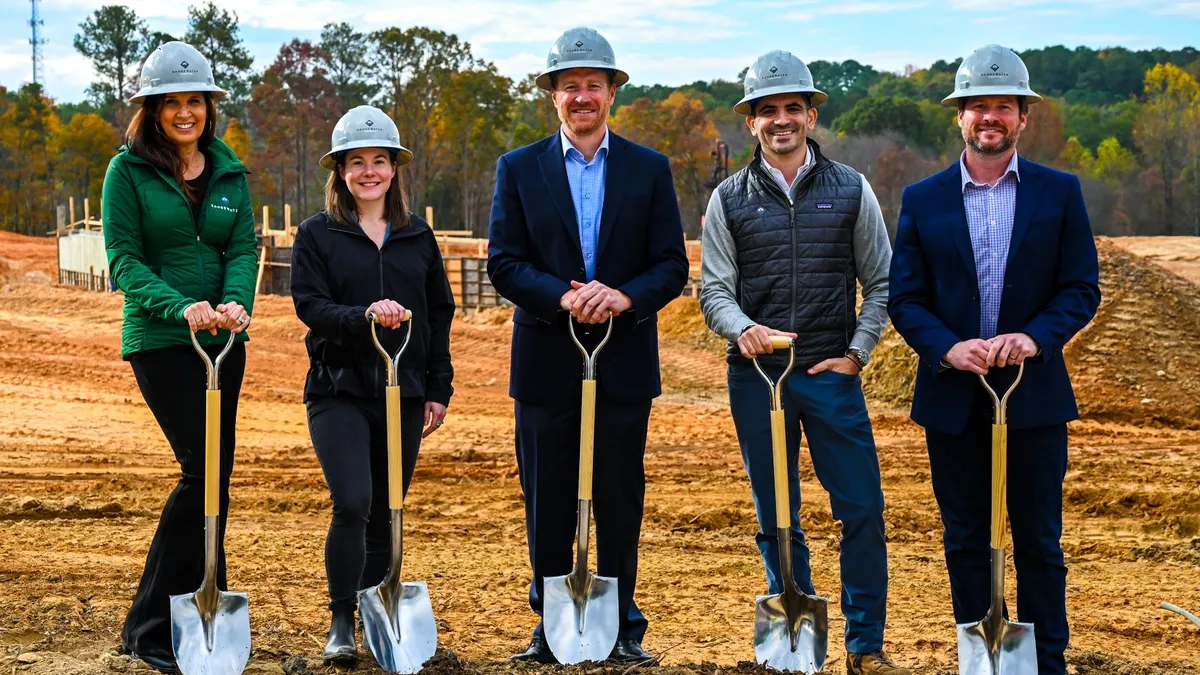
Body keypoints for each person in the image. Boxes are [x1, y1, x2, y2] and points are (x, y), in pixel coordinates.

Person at [887, 44, 1101, 674]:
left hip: (1033, 398)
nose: (990, 117)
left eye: (1002, 106)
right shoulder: (923, 199)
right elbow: (906, 297)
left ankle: (1047, 662)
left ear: (1022, 117)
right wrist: (947, 347)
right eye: (978, 105)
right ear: (959, 115)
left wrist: (1035, 338)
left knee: (1038, 540)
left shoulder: (1059, 194)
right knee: (966, 541)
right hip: (955, 397)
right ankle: (982, 658)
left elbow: (1080, 288)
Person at [699, 50, 908, 675]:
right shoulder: (728, 199)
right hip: (758, 379)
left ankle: (865, 645)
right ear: (751, 123)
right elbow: (713, 291)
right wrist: (743, 331)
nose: (782, 119)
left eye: (794, 107)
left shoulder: (851, 189)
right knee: (777, 512)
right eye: (768, 110)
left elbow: (883, 281)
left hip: (827, 376)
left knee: (863, 510)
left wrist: (856, 354)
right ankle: (793, 634)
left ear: (812, 115)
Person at [486, 26, 689, 666]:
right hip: (547, 357)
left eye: (592, 86)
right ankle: (550, 624)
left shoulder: (649, 169)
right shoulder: (518, 168)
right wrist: (562, 295)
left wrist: (623, 298)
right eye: (569, 86)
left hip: (623, 358)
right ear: (553, 95)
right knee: (547, 494)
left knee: (620, 492)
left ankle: (623, 623)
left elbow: (670, 265)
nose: (581, 97)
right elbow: (504, 262)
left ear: (612, 94)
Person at [102, 41, 257, 674]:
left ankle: (187, 608)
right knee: (201, 470)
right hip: (164, 341)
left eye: (196, 101)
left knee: (216, 478)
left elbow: (243, 248)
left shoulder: (228, 172)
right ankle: (149, 626)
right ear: (153, 110)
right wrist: (181, 307)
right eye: (173, 103)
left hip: (223, 341)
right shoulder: (127, 174)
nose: (187, 112)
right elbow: (125, 261)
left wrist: (235, 303)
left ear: (209, 107)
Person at [290, 105, 455, 667]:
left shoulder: (417, 236)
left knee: (388, 506)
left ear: (394, 169)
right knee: (354, 502)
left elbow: (438, 313)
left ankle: (375, 615)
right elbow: (310, 305)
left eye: (379, 161)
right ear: (339, 170)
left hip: (404, 391)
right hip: (338, 387)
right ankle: (340, 618)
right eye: (355, 162)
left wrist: (439, 387)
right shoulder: (318, 233)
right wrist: (365, 315)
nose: (368, 172)